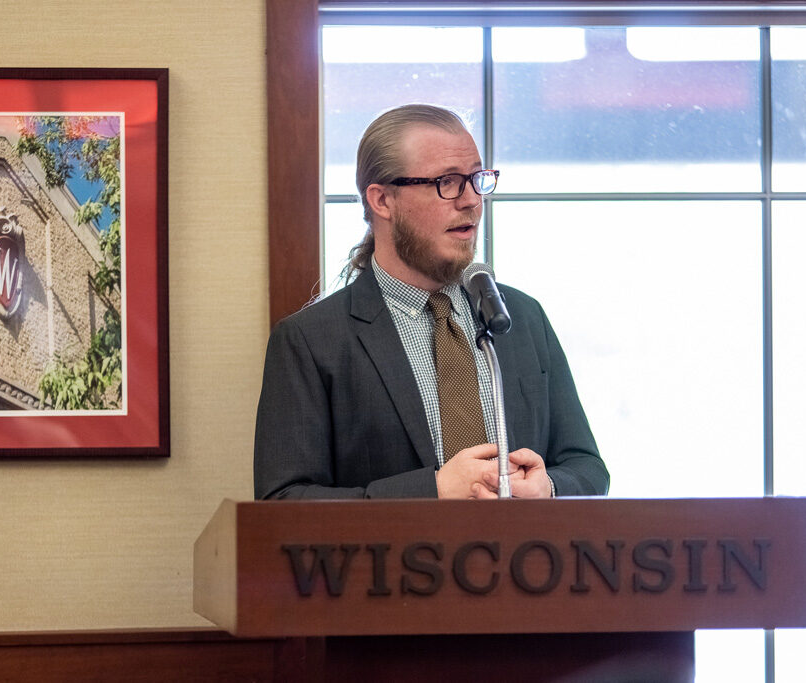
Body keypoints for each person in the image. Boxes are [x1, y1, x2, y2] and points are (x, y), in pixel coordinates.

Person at [254, 104, 608, 500]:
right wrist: (431, 490)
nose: (472, 200)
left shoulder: (520, 317)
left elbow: (588, 467)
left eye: (477, 179)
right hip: (391, 562)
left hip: (524, 559)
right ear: (382, 200)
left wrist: (550, 486)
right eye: (448, 182)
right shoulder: (311, 341)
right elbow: (283, 502)